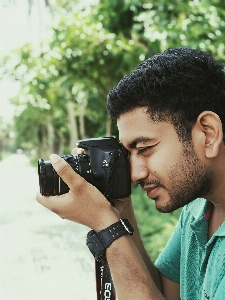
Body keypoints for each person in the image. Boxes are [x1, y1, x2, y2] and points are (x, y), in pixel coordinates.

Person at [36, 48, 225, 299]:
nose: (135, 174)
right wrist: (118, 209)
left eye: (145, 148)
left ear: (208, 134)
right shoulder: (198, 210)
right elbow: (160, 291)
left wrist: (107, 226)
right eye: (128, 154)